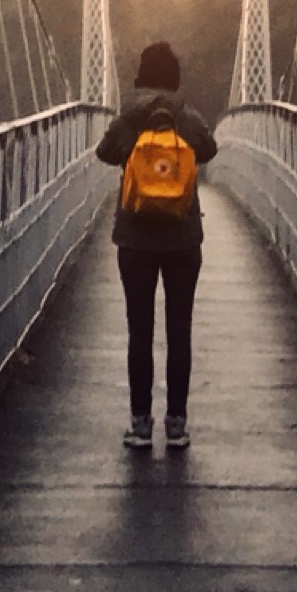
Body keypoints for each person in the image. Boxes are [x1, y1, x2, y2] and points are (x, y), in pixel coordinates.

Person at [95, 41, 219, 450]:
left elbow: (104, 153)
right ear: (175, 77)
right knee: (179, 329)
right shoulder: (186, 116)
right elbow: (210, 150)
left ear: (142, 76)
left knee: (140, 330)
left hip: (135, 238)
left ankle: (141, 424)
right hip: (183, 237)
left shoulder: (130, 116)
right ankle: (178, 425)